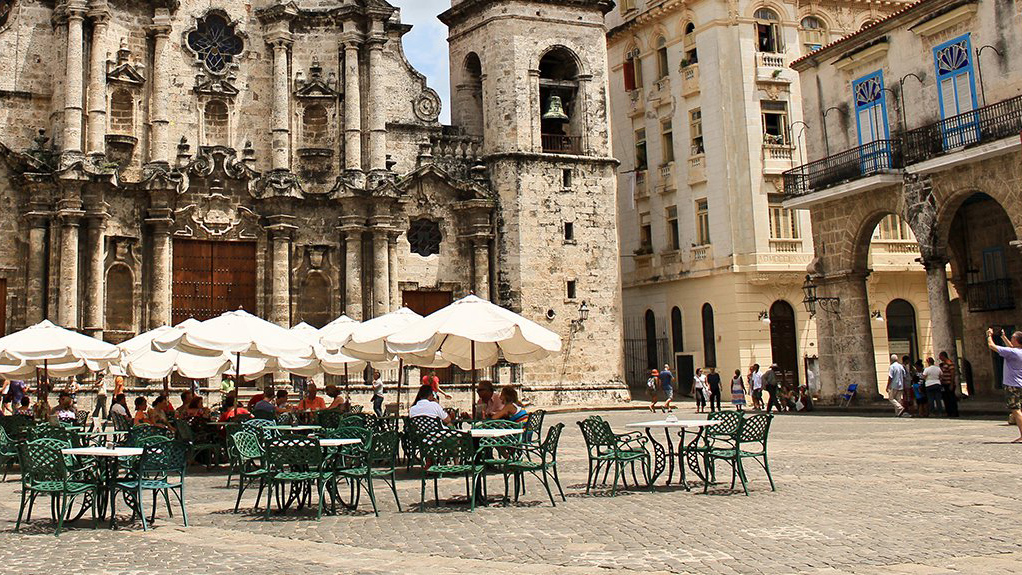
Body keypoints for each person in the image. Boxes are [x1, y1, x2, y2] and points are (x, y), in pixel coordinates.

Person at [987, 329, 1022, 441]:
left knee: (1016, 410)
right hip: (1020, 384)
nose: (1011, 339)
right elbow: (1012, 347)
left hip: (1013, 385)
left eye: (1012, 338)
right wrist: (1003, 337)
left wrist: (989, 335)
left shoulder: (1012, 353)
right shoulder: (1017, 352)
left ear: (1016, 340)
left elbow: (991, 345)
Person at [939, 351, 960, 418]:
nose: (939, 358)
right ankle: (949, 412)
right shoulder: (944, 364)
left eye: (940, 356)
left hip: (949, 383)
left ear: (943, 356)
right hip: (944, 383)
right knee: (946, 399)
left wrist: (951, 383)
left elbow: (952, 373)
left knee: (951, 398)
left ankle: (954, 412)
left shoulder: (949, 363)